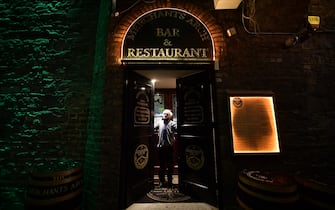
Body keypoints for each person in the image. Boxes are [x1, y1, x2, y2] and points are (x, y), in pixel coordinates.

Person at [154, 109, 177, 188]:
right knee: (162, 166)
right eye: (163, 114)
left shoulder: (172, 124)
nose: (164, 115)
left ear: (170, 116)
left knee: (170, 166)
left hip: (169, 148)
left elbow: (178, 129)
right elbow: (153, 128)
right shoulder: (159, 123)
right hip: (161, 148)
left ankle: (170, 182)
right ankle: (161, 181)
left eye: (166, 114)